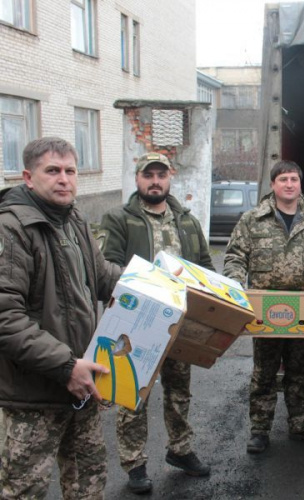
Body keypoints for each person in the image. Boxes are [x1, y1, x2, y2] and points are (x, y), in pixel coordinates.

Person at [0, 137, 122, 498]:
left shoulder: (74, 221)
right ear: (27, 176)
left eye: (70, 171)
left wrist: (156, 284)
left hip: (83, 380)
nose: (64, 179)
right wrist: (65, 366)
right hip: (35, 390)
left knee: (88, 479)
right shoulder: (6, 231)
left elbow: (103, 278)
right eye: (52, 170)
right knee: (24, 489)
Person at [99, 152, 214, 493]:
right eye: (148, 175)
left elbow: (205, 265)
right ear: (137, 179)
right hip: (136, 322)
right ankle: (134, 463)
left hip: (179, 321)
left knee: (179, 390)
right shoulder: (120, 218)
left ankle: (180, 449)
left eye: (160, 175)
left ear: (170, 178)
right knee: (132, 392)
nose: (155, 181)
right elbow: (108, 266)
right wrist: (152, 284)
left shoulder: (187, 220)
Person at [224, 160, 304, 454]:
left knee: (299, 370)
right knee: (264, 372)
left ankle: (300, 424)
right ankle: (260, 429)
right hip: (265, 311)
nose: (289, 184)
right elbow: (234, 256)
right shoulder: (252, 219)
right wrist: (235, 284)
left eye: (294, 179)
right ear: (273, 184)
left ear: (300, 184)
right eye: (283, 179)